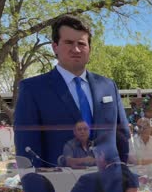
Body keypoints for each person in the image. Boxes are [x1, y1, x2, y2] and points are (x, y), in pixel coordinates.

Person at [14, 15, 130, 168]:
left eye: (81, 43)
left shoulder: (108, 86)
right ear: (55, 47)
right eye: (68, 42)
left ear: (89, 49)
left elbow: (123, 141)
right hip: (62, 187)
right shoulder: (32, 90)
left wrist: (127, 184)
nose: (76, 49)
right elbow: (27, 153)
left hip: (110, 185)